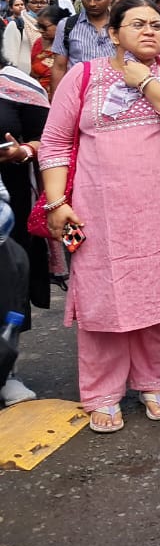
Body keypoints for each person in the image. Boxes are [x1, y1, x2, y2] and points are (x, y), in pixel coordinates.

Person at [40, 0, 160, 433]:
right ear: (113, 33)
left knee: (158, 298)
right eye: (137, 24)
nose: (150, 31)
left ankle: (153, 381)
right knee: (103, 302)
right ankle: (102, 392)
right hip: (100, 212)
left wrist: (146, 82)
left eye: (155, 24)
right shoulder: (84, 75)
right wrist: (57, 202)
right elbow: (55, 142)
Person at [0, 58, 51, 405]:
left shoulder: (15, 85)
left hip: (7, 209)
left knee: (5, 288)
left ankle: (6, 372)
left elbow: (50, 138)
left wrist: (24, 150)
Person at [49, 0, 117, 94]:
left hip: (116, 95)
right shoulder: (66, 25)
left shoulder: (122, 25)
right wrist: (56, 101)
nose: (92, 3)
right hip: (78, 94)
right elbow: (59, 67)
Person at [2, 0, 40, 74]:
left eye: (21, 4)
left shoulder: (43, 24)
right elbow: (10, 53)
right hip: (22, 71)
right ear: (11, 8)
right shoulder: (14, 24)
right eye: (17, 5)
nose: (20, 6)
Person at [30, 6, 62, 98]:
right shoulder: (38, 43)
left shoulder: (71, 45)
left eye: (44, 27)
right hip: (38, 97)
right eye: (39, 26)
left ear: (60, 24)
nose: (40, 30)